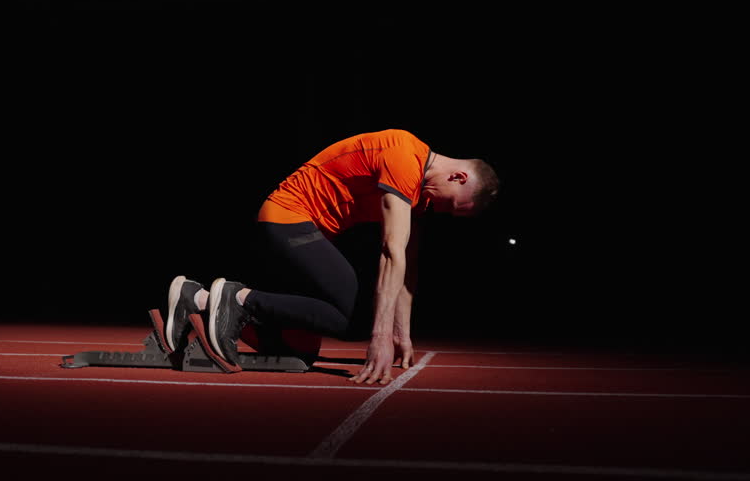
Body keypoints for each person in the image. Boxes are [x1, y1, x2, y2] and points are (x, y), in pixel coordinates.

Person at [164, 129, 499, 386]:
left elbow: (407, 265)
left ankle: (198, 299)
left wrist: (401, 332)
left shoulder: (423, 195)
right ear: (458, 177)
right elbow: (391, 252)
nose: (441, 209)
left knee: (298, 352)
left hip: (307, 232)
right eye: (450, 205)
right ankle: (236, 298)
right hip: (288, 218)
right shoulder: (404, 155)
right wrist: (380, 338)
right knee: (359, 321)